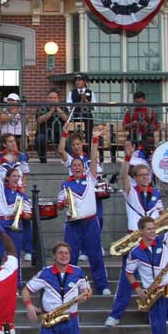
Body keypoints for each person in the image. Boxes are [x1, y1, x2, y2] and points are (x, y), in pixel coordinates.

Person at [105, 142, 164, 327]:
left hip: (154, 239)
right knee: (126, 279)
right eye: (142, 175)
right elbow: (123, 175)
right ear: (136, 178)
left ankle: (153, 312)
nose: (145, 178)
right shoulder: (130, 192)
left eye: (147, 175)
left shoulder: (157, 194)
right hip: (134, 240)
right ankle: (115, 315)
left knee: (154, 280)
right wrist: (127, 158)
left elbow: (162, 217)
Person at [57, 125, 110, 295]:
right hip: (73, 225)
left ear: (83, 167)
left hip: (90, 223)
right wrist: (62, 204)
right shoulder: (65, 184)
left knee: (95, 256)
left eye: (80, 165)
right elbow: (59, 205)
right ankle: (69, 286)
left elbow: (93, 160)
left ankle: (102, 286)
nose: (77, 167)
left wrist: (94, 140)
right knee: (70, 258)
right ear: (71, 168)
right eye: (75, 166)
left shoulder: (90, 179)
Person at [0, 162, 32, 281]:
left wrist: (21, 214)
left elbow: (29, 215)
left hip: (16, 225)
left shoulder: (23, 195)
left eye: (18, 177)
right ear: (7, 178)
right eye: (14, 176)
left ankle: (15, 284)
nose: (17, 178)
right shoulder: (1, 187)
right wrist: (2, 158)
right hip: (1, 223)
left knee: (14, 256)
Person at [35, 89, 67, 163]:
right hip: (44, 133)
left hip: (59, 134)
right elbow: (39, 120)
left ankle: (68, 161)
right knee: (40, 139)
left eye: (54, 98)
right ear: (47, 99)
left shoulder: (63, 108)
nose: (52, 100)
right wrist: (51, 111)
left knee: (67, 140)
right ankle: (43, 160)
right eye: (50, 98)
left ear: (58, 99)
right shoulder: (42, 108)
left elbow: (66, 119)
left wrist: (58, 109)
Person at [67, 74, 95, 147]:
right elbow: (69, 107)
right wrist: (79, 101)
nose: (77, 82)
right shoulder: (71, 92)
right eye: (76, 80)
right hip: (76, 117)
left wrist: (86, 100)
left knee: (88, 136)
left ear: (84, 82)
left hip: (88, 118)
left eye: (79, 80)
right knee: (76, 136)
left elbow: (94, 108)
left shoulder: (90, 92)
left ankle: (87, 154)